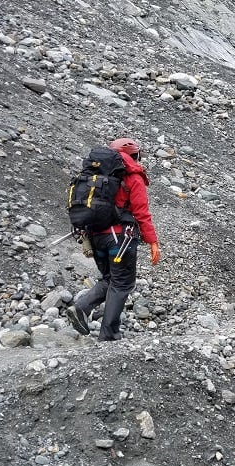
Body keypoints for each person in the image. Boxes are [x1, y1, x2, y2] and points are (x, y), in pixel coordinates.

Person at [66, 138, 161, 341]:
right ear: (134, 155)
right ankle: (109, 335)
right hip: (120, 239)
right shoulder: (132, 177)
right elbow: (141, 213)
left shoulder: (95, 176)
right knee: (122, 284)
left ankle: (81, 308)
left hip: (95, 236)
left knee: (110, 279)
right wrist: (153, 241)